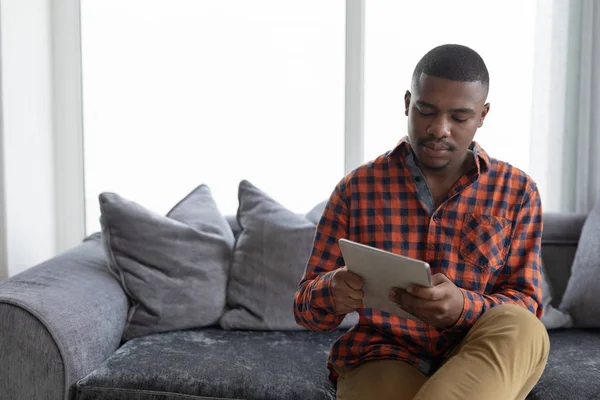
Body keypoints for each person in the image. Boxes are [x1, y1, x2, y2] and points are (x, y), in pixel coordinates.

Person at [293, 44, 549, 400]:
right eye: (425, 111)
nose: (439, 129)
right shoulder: (357, 188)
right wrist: (331, 291)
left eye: (459, 118)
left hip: (479, 349)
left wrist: (463, 307)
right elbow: (306, 307)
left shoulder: (518, 191)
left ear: (482, 115)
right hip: (382, 354)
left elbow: (526, 302)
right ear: (407, 103)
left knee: (525, 327)